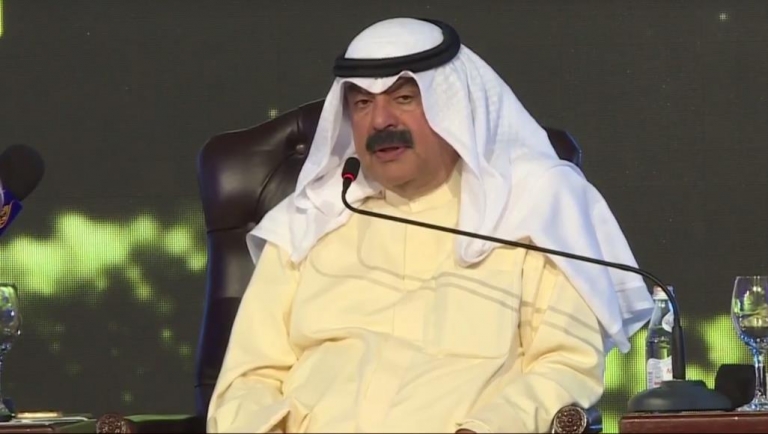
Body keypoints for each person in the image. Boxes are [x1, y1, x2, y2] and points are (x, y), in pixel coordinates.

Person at [207, 17, 654, 433]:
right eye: (362, 103)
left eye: (404, 98)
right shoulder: (309, 220)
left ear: (452, 105)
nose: (380, 120)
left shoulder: (532, 208)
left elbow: (564, 367)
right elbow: (248, 380)